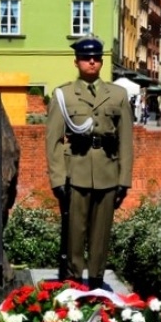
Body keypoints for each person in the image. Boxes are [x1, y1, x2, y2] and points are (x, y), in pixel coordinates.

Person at [45, 36, 134, 290]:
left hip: (107, 171)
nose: (91, 62)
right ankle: (73, 284)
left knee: (101, 235)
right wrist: (57, 178)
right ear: (77, 62)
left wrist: (124, 180)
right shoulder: (63, 95)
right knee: (74, 233)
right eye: (86, 58)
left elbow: (126, 140)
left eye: (96, 58)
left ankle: (96, 282)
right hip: (76, 171)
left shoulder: (118, 95)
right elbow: (53, 141)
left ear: (102, 62)